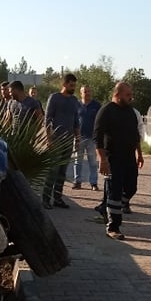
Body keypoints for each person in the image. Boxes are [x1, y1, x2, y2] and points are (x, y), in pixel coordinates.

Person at [93, 81, 143, 240]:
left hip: (129, 157)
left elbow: (136, 136)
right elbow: (98, 137)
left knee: (131, 188)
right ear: (118, 94)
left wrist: (139, 154)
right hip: (112, 158)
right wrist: (102, 159)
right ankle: (113, 226)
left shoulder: (130, 112)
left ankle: (108, 207)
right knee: (114, 191)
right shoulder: (106, 110)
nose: (131, 97)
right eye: (127, 95)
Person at [42, 73, 80, 209]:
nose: (73, 88)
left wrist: (78, 139)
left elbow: (76, 121)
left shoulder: (74, 100)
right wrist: (49, 138)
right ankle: (45, 199)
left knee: (62, 172)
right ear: (64, 84)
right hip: (56, 139)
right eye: (71, 85)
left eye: (74, 85)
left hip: (68, 141)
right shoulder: (55, 98)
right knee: (53, 170)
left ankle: (58, 198)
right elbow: (47, 119)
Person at [72, 85, 101, 190]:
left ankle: (93, 183)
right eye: (85, 91)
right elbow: (73, 121)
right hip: (79, 137)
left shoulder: (96, 105)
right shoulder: (76, 105)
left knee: (92, 162)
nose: (87, 93)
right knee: (77, 161)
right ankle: (77, 181)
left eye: (89, 91)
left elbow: (100, 122)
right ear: (81, 93)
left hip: (92, 138)